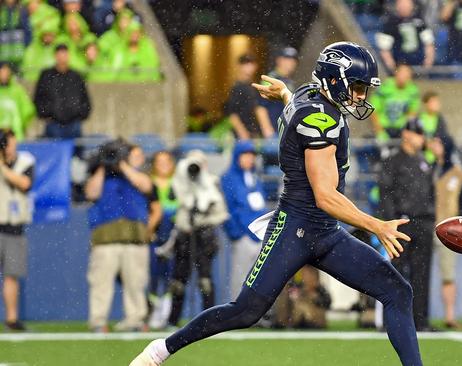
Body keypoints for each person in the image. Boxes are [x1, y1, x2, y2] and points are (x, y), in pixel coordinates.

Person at [130, 41, 422, 366]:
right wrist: (375, 225)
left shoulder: (305, 96)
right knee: (245, 311)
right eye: (356, 86)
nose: (360, 96)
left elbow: (294, 105)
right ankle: (160, 351)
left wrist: (284, 94)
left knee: (398, 292)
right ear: (335, 82)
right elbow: (325, 196)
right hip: (294, 228)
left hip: (323, 233)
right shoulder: (320, 121)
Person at [85, 139, 154, 332]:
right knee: (101, 284)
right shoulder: (100, 177)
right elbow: (91, 193)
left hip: (135, 239)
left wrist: (122, 164)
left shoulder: (138, 176)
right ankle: (98, 322)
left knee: (136, 283)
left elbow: (146, 186)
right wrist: (102, 165)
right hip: (105, 241)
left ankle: (136, 321)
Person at [378, 118, 436, 332]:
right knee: (397, 275)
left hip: (423, 222)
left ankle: (421, 321)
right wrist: (389, 223)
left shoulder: (424, 162)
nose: (422, 139)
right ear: (407, 135)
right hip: (402, 223)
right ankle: (392, 321)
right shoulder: (392, 162)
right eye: (418, 134)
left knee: (422, 275)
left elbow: (430, 194)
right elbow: (386, 194)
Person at [166, 150, 229, 328]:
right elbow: (174, 201)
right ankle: (173, 319)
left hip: (205, 236)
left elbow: (222, 213)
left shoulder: (212, 183)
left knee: (205, 280)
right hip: (185, 234)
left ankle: (209, 321)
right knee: (178, 280)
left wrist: (204, 216)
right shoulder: (180, 183)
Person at [430, 135, 462, 329]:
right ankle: (419, 313)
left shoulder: (459, 174)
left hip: (448, 229)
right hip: (427, 225)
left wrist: (460, 229)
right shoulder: (428, 169)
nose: (432, 145)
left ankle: (449, 315)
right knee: (419, 271)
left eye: (437, 142)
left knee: (448, 274)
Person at [221, 141, 266, 299]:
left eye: (251, 156)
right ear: (237, 157)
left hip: (260, 236)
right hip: (243, 236)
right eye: (245, 155)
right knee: (240, 277)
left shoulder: (255, 177)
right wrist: (237, 234)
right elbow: (227, 208)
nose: (249, 159)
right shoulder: (228, 178)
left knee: (261, 278)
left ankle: (258, 315)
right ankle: (236, 313)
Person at [0, 128, 34, 331]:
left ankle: (12, 319)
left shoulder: (25, 161)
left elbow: (24, 183)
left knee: (12, 274)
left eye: (11, 143)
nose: (10, 148)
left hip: (14, 227)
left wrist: (2, 165)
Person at [33, 43, 91, 140]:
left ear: (68, 56)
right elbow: (38, 98)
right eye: (60, 55)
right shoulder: (46, 76)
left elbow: (85, 99)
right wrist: (47, 114)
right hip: (53, 124)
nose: (62, 58)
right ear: (55, 56)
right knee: (54, 152)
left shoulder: (76, 76)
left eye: (64, 55)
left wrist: (79, 114)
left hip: (74, 125)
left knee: (75, 153)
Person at [224, 54, 274, 140]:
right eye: (245, 64)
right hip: (242, 137)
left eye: (251, 63)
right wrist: (243, 133)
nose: (249, 67)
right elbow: (232, 114)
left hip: (255, 134)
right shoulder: (237, 88)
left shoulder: (254, 86)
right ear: (239, 66)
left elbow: (258, 108)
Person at [375, 0, 435, 71]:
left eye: (407, 4)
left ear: (412, 5)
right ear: (397, 6)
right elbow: (384, 49)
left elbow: (429, 42)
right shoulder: (391, 22)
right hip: (400, 65)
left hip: (419, 64)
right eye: (402, 4)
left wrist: (428, 61)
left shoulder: (419, 20)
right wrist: (393, 68)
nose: (404, 7)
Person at [369, 63, 420, 141]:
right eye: (402, 73)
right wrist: (379, 130)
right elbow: (373, 109)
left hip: (401, 129)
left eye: (407, 74)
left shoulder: (412, 90)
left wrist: (407, 129)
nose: (404, 76)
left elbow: (413, 112)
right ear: (396, 73)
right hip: (384, 127)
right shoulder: (385, 87)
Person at [260, 47, 298, 132]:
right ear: (279, 60)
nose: (291, 63)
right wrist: (267, 130)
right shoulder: (271, 79)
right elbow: (260, 107)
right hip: (274, 132)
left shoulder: (290, 81)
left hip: (284, 130)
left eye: (293, 60)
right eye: (287, 59)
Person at [0, 62, 35, 141]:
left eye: (6, 72)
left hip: (15, 134)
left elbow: (28, 110)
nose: (4, 75)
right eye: (2, 72)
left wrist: (20, 124)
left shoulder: (18, 90)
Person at [20, 16, 59, 82]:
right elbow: (27, 71)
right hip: (35, 83)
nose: (48, 38)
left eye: (50, 35)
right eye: (46, 35)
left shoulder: (59, 48)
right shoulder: (31, 50)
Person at [0, 0, 31, 67]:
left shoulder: (21, 10)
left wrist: (25, 45)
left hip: (19, 53)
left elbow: (27, 30)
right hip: (2, 54)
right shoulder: (1, 10)